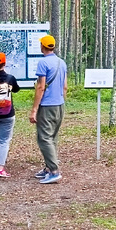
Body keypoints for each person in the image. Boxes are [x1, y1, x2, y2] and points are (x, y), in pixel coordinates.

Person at [30, 34, 67, 184]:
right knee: (52, 137)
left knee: (44, 138)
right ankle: (48, 168)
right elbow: (65, 86)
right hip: (59, 104)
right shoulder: (61, 62)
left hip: (47, 106)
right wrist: (61, 100)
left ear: (42, 47)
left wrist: (34, 109)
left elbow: (40, 87)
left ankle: (54, 171)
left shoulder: (43, 63)